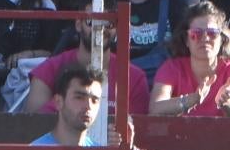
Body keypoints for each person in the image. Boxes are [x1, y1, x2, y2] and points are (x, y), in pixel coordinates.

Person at [20, 16, 150, 134]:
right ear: (78, 24)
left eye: (109, 24)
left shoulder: (135, 77)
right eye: (91, 22)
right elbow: (34, 126)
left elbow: (137, 132)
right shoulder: (49, 69)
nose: (99, 29)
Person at [151, 1, 230, 118]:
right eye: (196, 33)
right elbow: (155, 109)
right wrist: (191, 100)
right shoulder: (171, 68)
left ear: (222, 39)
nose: (205, 38)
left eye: (212, 33)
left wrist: (226, 102)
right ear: (186, 40)